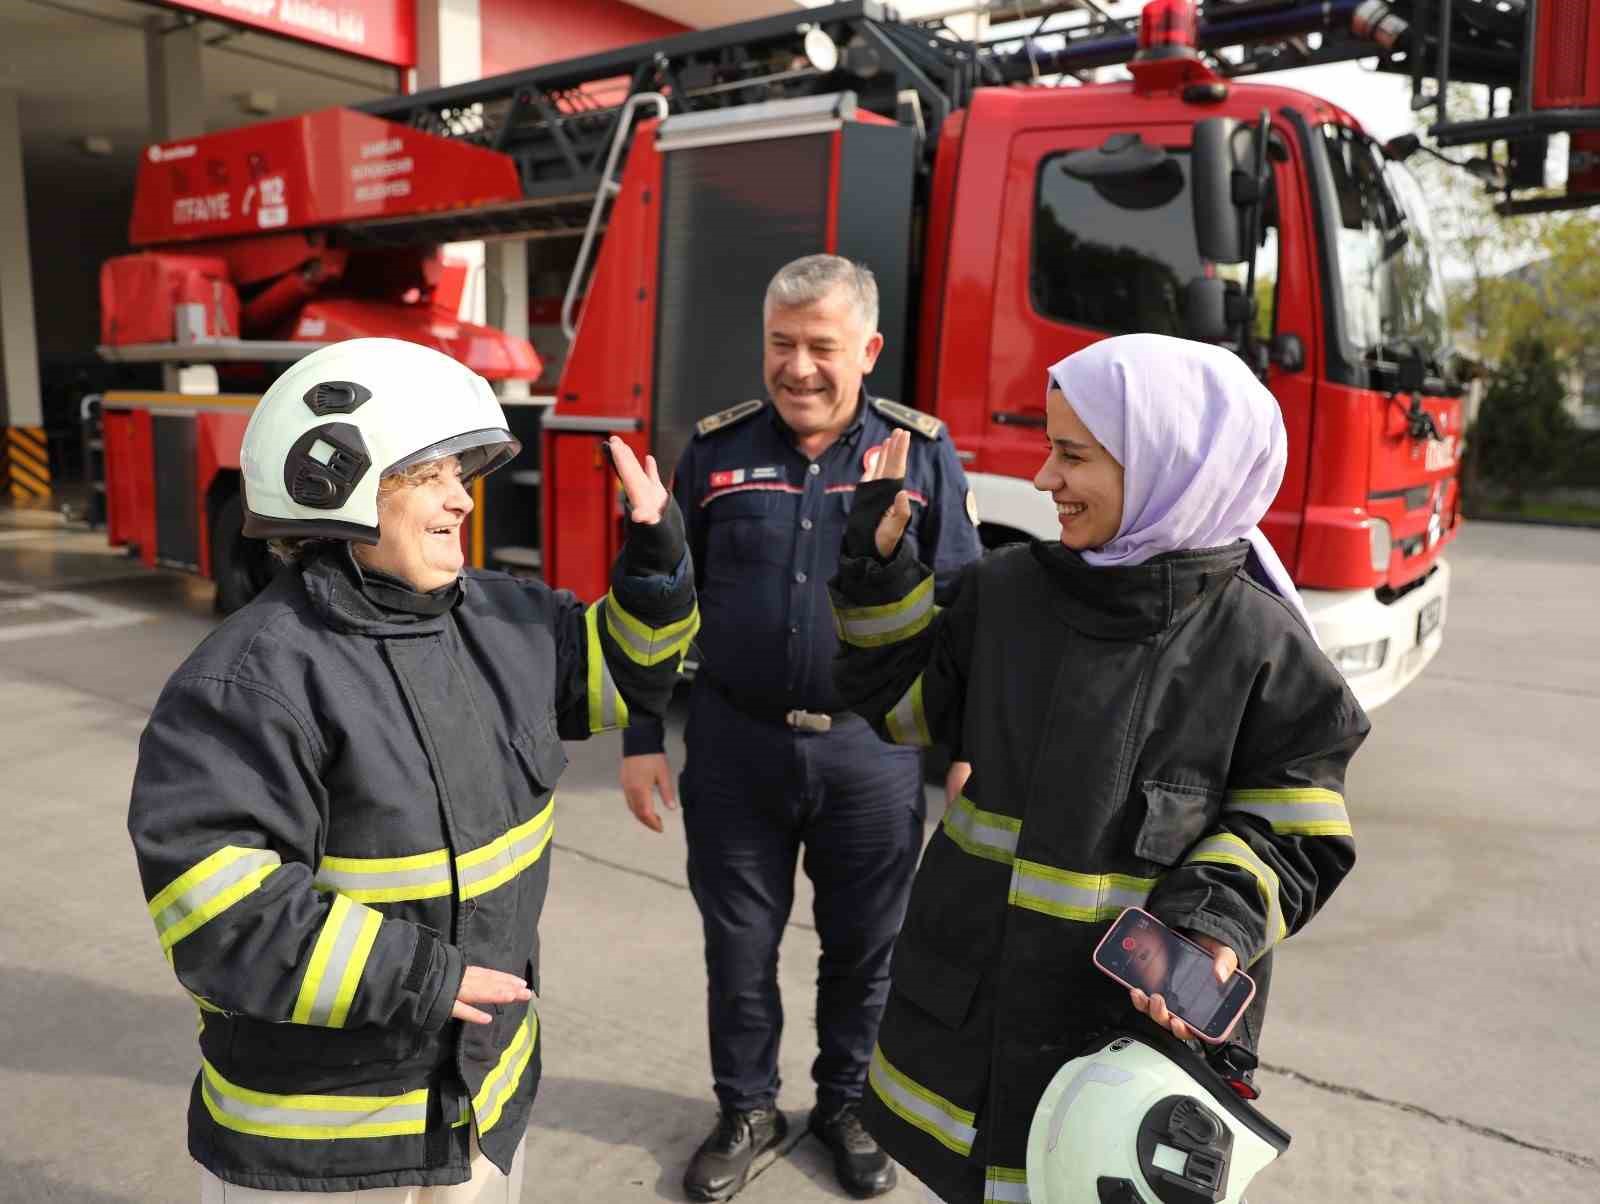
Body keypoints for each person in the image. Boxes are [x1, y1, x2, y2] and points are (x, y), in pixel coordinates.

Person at [127, 337, 697, 1201]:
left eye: (461, 477)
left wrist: (655, 559)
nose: (461, 501)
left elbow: (626, 674)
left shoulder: (506, 622)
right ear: (335, 480)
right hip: (326, 1146)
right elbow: (221, 913)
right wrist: (424, 976)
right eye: (429, 477)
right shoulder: (249, 681)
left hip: (476, 1104)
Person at [828, 333, 1368, 1204]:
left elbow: (1296, 833)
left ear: (1170, 464)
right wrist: (877, 578)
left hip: (1128, 1048)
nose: (1044, 479)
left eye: (1072, 454)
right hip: (974, 1029)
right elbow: (902, 709)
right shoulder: (1005, 595)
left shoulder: (1264, 649)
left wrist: (1211, 926)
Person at [618, 254, 983, 1201]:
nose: (799, 368)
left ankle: (847, 1104)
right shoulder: (715, 450)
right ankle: (745, 1106)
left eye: (822, 346)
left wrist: (971, 747)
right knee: (738, 950)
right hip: (737, 748)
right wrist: (640, 735)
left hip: (872, 754)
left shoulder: (919, 453)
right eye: (781, 344)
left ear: (867, 349)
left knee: (865, 948)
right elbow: (662, 600)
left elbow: (963, 610)